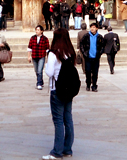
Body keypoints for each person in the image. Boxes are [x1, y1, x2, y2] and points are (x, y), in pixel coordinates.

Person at [43, 28, 77, 160]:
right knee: (68, 119)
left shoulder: (54, 53)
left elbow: (50, 73)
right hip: (68, 89)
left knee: (58, 121)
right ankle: (67, 149)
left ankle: (57, 151)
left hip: (57, 90)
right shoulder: (70, 52)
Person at [79, 23, 104, 92]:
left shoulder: (99, 37)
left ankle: (94, 85)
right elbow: (81, 44)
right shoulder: (86, 36)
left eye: (93, 27)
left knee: (95, 72)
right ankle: (88, 84)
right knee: (88, 71)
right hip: (88, 57)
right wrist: (84, 53)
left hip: (96, 58)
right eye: (91, 27)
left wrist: (100, 53)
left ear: (96, 28)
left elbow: (103, 46)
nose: (92, 29)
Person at [27, 25, 50, 90]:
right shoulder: (32, 38)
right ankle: (41, 81)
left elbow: (47, 49)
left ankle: (39, 83)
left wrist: (48, 58)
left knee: (40, 70)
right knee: (36, 71)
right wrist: (29, 56)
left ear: (41, 31)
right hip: (34, 56)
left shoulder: (45, 39)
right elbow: (29, 48)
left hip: (41, 56)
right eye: (36, 30)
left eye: (38, 30)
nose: (37, 31)